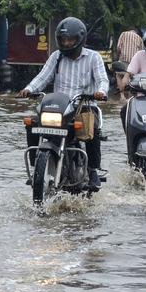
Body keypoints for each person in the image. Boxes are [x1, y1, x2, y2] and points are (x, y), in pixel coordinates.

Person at [18, 17, 108, 190]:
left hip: (84, 105)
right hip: (59, 106)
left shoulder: (93, 57)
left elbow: (103, 80)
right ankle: (36, 164)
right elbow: (43, 77)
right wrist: (29, 89)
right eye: (63, 40)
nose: (66, 43)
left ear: (80, 39)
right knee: (32, 123)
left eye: (70, 40)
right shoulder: (56, 56)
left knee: (92, 128)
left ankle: (93, 170)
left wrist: (101, 92)